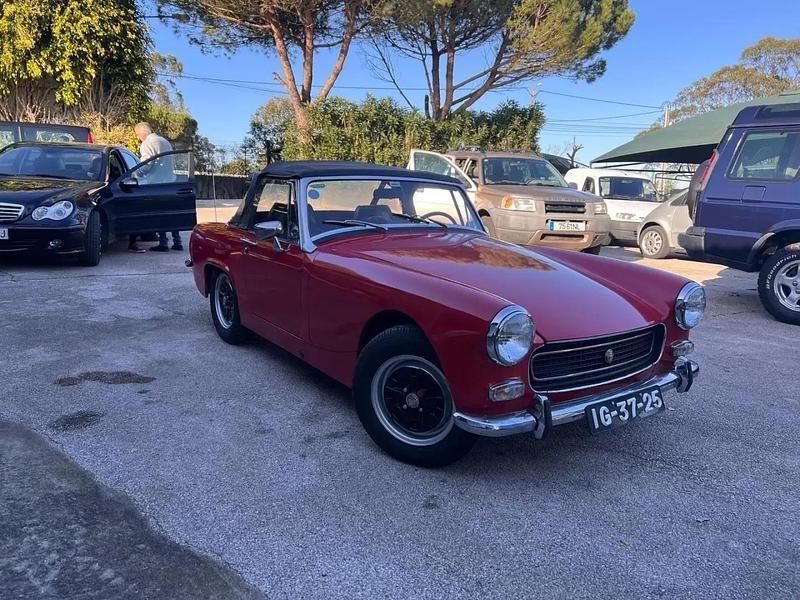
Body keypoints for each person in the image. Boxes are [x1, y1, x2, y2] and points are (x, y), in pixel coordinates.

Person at [133, 122, 183, 252]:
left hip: (156, 184)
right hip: (171, 182)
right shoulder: (164, 141)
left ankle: (163, 243)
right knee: (172, 214)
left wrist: (134, 173)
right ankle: (177, 242)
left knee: (160, 214)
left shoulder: (147, 143)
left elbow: (146, 165)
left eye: (138, 135)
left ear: (143, 133)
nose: (139, 137)